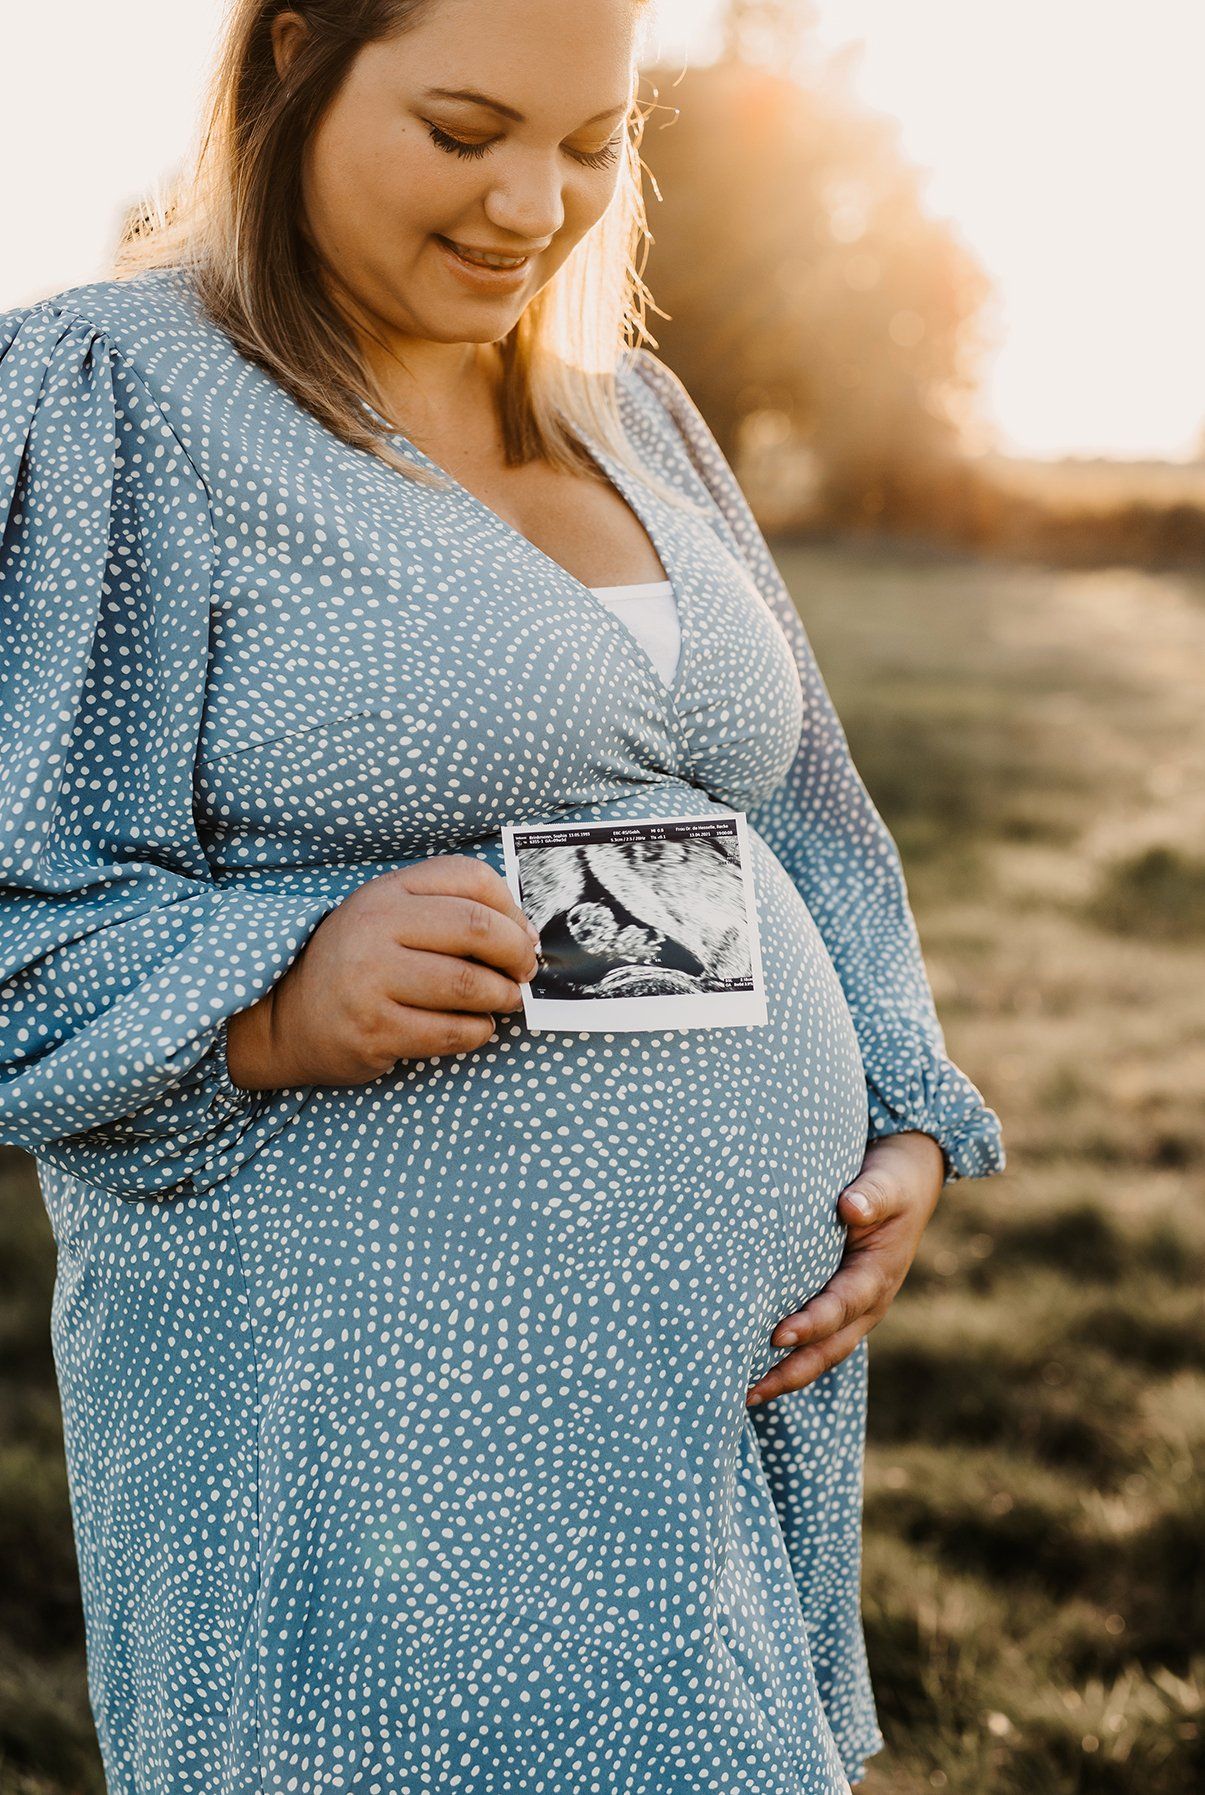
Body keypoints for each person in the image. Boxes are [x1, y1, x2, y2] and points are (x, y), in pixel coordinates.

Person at [0, 1, 1005, 1790]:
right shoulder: (112, 391)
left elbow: (805, 814)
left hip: (710, 1376)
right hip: (371, 1398)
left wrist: (897, 1120)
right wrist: (272, 995)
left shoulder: (632, 411)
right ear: (291, 61)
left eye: (588, 143)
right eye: (464, 132)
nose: (531, 203)